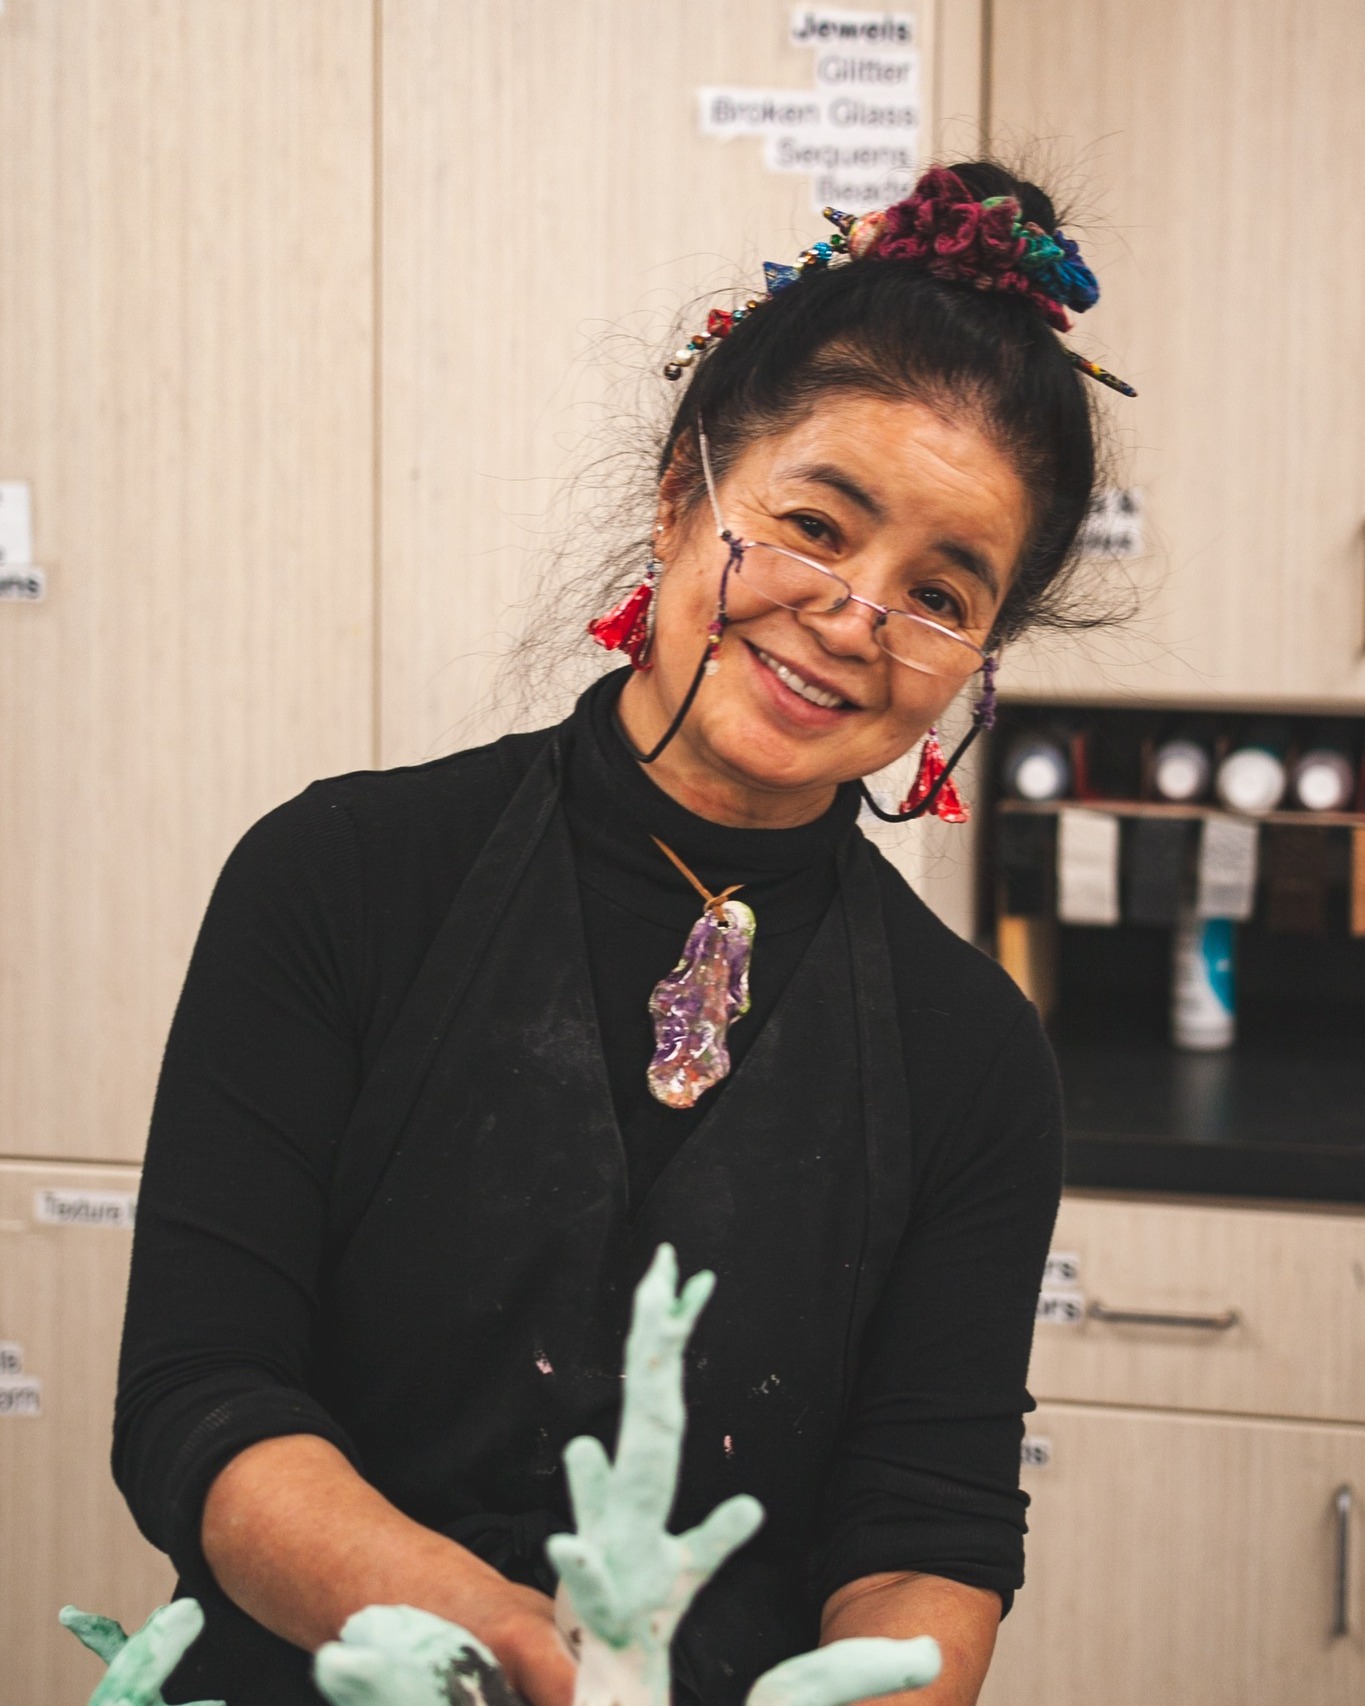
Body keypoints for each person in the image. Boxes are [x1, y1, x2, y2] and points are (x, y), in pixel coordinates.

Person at [115, 162, 1123, 1706]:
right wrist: (508, 1650)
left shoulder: (972, 1054)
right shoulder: (339, 877)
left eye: (940, 590)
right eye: (813, 523)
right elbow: (203, 1396)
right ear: (681, 494)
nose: (855, 617)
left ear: (977, 658)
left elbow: (928, 1527)